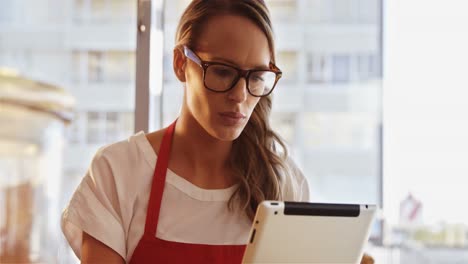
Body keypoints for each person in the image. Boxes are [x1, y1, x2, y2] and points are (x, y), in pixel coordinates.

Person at [61, 0, 310, 263]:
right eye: (222, 72)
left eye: (257, 77)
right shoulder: (118, 172)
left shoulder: (283, 183)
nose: (239, 96)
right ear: (181, 63)